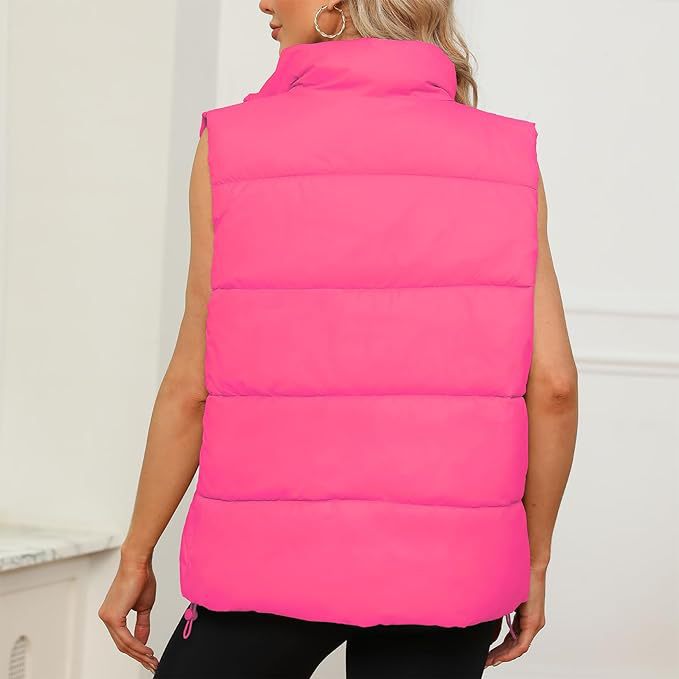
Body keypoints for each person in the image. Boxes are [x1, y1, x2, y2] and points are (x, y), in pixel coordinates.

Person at [98, 1, 578, 677]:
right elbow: (553, 386)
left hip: (263, 560)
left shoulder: (233, 144)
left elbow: (192, 383)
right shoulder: (506, 154)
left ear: (336, 5)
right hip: (448, 573)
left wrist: (136, 553)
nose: (264, 2)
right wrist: (532, 560)